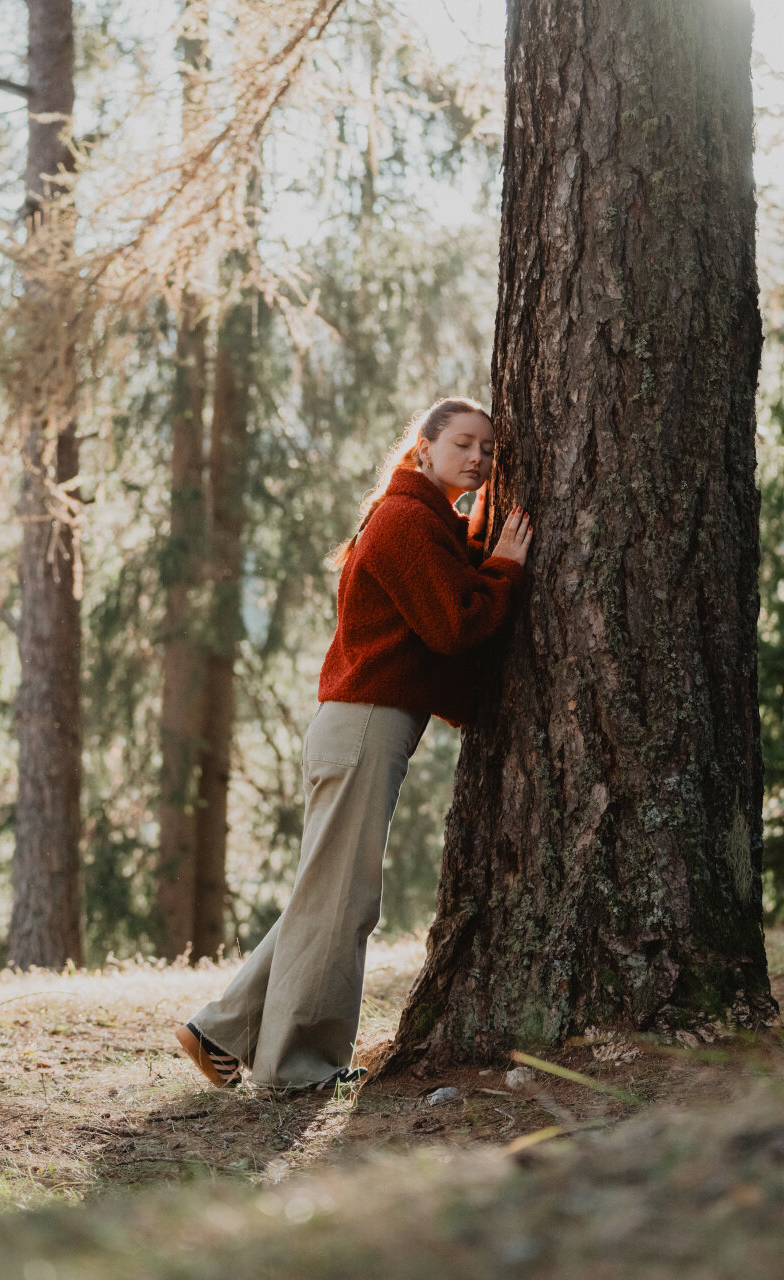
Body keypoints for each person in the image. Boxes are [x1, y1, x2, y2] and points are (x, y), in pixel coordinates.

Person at [175, 396, 534, 1091]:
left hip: (360, 724)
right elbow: (453, 626)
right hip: (366, 722)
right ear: (422, 449)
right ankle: (297, 1068)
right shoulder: (406, 520)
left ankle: (220, 1029)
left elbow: (449, 585)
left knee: (327, 891)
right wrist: (507, 572)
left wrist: (485, 551)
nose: (479, 459)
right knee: (344, 899)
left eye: (488, 450)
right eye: (463, 443)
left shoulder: (424, 519)